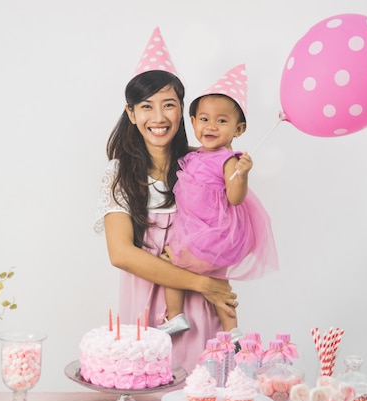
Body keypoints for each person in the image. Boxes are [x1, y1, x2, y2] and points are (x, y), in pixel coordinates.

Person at [94, 28, 238, 374]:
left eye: (168, 105)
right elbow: (122, 254)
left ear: (183, 112)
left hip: (199, 308)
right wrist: (203, 283)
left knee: (204, 391)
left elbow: (228, 231)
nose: (158, 118)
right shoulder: (119, 174)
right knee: (145, 391)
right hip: (146, 309)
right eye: (146, 106)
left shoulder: (201, 168)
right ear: (131, 114)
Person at [160, 65, 278, 337]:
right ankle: (232, 332)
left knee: (170, 263)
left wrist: (242, 175)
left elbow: (235, 199)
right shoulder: (193, 156)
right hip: (199, 230)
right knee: (217, 282)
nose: (211, 126)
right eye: (203, 119)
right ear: (193, 122)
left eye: (222, 121)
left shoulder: (228, 160)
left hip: (212, 232)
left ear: (239, 128)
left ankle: (175, 316)